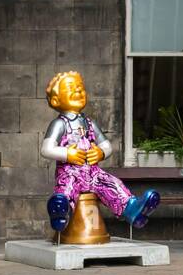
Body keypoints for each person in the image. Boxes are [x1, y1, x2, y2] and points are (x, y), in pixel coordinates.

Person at [40, 70, 159, 232]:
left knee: (112, 184)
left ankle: (132, 209)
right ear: (55, 100)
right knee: (66, 188)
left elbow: (106, 145)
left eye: (81, 88)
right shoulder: (59, 124)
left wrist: (101, 152)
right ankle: (61, 211)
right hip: (70, 172)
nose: (78, 91)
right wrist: (68, 154)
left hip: (93, 173)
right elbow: (46, 149)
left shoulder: (89, 123)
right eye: (71, 88)